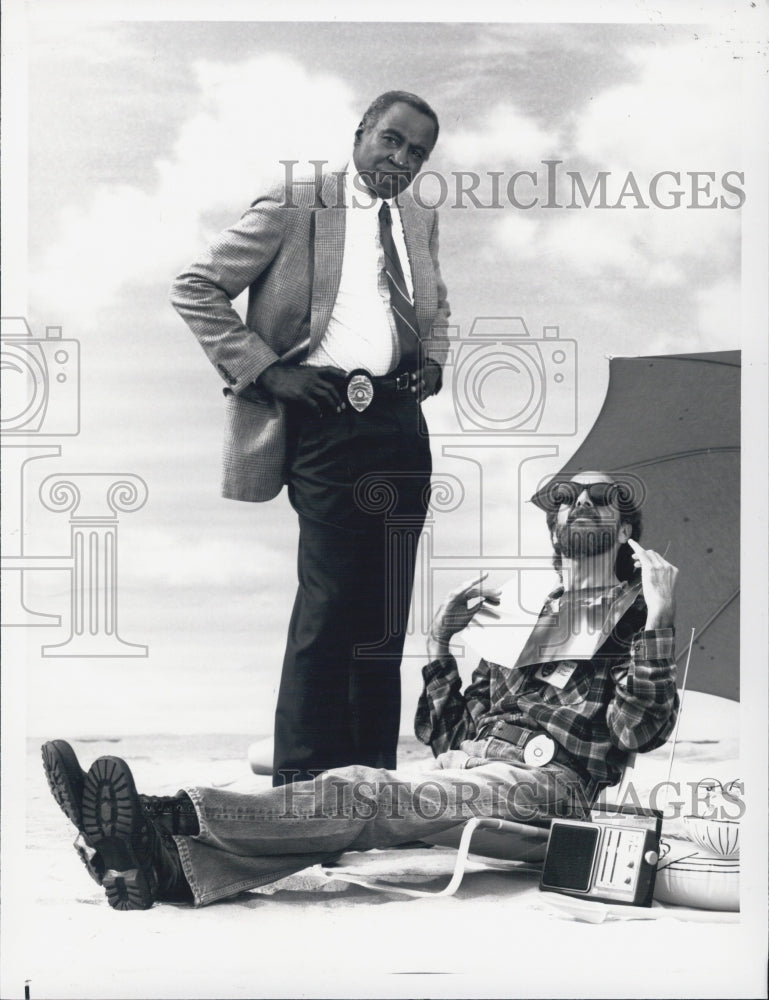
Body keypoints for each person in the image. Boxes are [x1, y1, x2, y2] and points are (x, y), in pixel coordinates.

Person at [42, 471, 680, 910]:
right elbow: (451, 737)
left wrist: (657, 620)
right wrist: (440, 646)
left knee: (366, 789)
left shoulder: (638, 617)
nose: (583, 501)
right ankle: (159, 868)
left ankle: (160, 815)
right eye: (568, 495)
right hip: (471, 769)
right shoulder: (527, 614)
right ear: (553, 526)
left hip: (551, 786)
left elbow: (638, 732)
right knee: (358, 800)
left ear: (627, 530)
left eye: (607, 495)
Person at [169, 91, 450, 785]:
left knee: (383, 615)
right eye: (391, 139)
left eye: (416, 152)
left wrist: (435, 359)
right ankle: (301, 788)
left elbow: (436, 302)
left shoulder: (418, 216)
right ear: (360, 133)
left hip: (399, 423)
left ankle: (366, 789)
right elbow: (195, 287)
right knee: (329, 605)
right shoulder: (299, 204)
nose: (401, 158)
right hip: (324, 417)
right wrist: (267, 373)